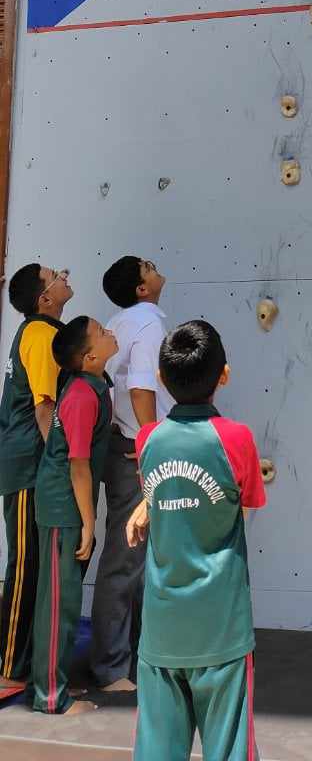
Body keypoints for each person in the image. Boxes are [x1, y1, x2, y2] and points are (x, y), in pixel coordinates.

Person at [126, 319, 266, 761]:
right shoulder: (236, 439)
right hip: (220, 624)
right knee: (229, 747)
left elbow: (157, 490)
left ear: (163, 380)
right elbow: (244, 508)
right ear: (223, 375)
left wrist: (150, 505)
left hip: (163, 627)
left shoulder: (148, 440)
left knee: (157, 748)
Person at [89, 255, 171, 693]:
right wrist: (150, 444)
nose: (156, 270)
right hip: (135, 450)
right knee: (128, 558)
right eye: (148, 267)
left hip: (117, 445)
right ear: (142, 288)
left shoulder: (118, 321)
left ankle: (128, 658)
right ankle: (112, 668)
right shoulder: (149, 323)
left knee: (131, 559)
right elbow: (141, 387)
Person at [30, 315, 117, 715]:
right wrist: (86, 522)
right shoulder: (82, 394)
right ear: (88, 356)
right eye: (101, 332)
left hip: (71, 503)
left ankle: (57, 681)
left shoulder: (94, 384)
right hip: (63, 505)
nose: (109, 332)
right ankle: (50, 696)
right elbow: (78, 464)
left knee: (66, 598)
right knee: (58, 603)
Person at [0, 264, 73, 692]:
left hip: (23, 461)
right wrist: (59, 463)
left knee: (28, 563)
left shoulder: (35, 331)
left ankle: (18, 661)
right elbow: (46, 409)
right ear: (44, 299)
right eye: (56, 275)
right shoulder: (43, 336)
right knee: (25, 565)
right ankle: (10, 667)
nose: (65, 276)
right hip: (29, 464)